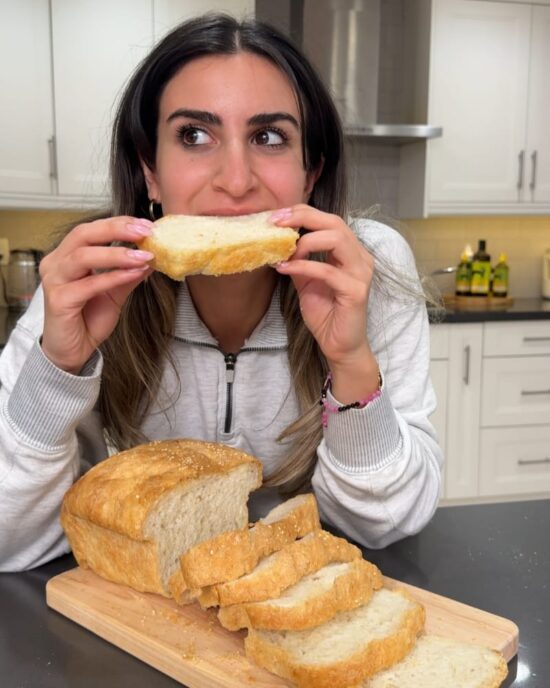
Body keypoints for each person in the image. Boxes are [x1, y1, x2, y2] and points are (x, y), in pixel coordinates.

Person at [0, 13, 442, 572]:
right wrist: (57, 368)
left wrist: (350, 362)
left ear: (310, 175)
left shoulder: (369, 268)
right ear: (150, 173)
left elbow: (387, 526)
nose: (236, 180)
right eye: (194, 135)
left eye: (269, 137)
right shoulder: (89, 275)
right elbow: (9, 541)